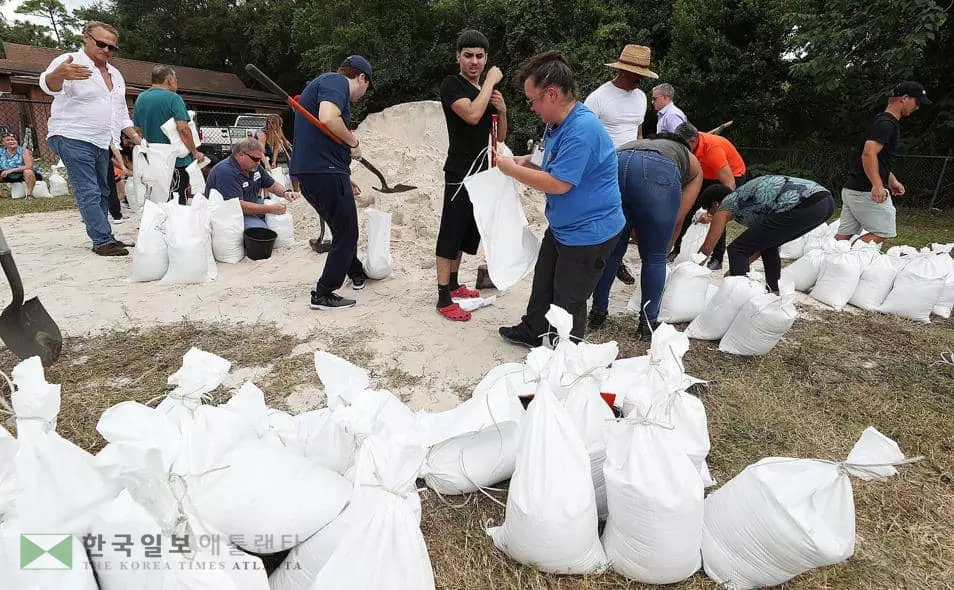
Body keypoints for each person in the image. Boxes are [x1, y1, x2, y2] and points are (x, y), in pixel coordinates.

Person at [496, 51, 625, 346]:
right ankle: (533, 330)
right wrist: (519, 159)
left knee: (569, 297)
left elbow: (558, 183)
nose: (531, 108)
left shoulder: (582, 130)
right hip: (564, 226)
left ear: (551, 94)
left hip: (589, 233)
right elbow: (546, 158)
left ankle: (564, 354)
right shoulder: (556, 124)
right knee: (544, 282)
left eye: (533, 100)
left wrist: (512, 170)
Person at [40, 20, 141, 256]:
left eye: (111, 47)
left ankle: (105, 234)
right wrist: (58, 74)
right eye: (101, 44)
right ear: (86, 37)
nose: (106, 50)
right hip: (72, 135)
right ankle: (102, 240)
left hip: (100, 140)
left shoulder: (115, 74)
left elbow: (119, 113)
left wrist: (135, 137)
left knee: (104, 191)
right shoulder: (69, 62)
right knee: (89, 191)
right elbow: (48, 85)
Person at [589, 132, 704, 335]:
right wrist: (663, 241)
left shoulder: (638, 143)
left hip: (617, 160)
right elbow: (678, 217)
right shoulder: (691, 161)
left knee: (612, 251)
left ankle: (597, 313)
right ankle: (647, 323)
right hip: (657, 170)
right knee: (655, 258)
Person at [435, 29, 508, 321]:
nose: (474, 61)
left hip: (482, 171)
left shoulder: (486, 92)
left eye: (479, 56)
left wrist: (502, 110)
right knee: (450, 230)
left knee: (467, 231)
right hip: (459, 169)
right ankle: (443, 297)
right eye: (468, 55)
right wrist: (490, 81)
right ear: (458, 57)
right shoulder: (451, 85)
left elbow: (499, 135)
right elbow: (472, 115)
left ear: (486, 57)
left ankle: (454, 284)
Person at [289, 55, 373, 311]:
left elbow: (321, 139)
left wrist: (345, 176)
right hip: (324, 172)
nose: (362, 93)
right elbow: (328, 118)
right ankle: (324, 292)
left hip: (315, 172)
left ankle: (356, 271)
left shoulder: (320, 86)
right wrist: (353, 142)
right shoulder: (336, 82)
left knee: (341, 228)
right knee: (348, 232)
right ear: (361, 78)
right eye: (366, 87)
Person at [584, 44, 657, 287]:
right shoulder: (598, 98)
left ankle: (617, 260)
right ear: (622, 70)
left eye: (642, 75)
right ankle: (595, 261)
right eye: (636, 74)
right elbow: (584, 135)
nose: (639, 79)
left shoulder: (641, 97)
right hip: (604, 167)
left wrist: (642, 154)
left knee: (625, 217)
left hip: (633, 166)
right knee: (601, 215)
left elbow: (638, 130)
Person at [697, 175, 836, 294]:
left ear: (715, 205)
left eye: (710, 212)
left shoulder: (728, 203)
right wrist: (736, 269)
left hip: (806, 202)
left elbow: (708, 247)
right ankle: (773, 291)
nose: (711, 216)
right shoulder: (745, 202)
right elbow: (761, 245)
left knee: (736, 248)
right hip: (825, 203)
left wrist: (693, 267)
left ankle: (741, 297)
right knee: (769, 245)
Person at [836, 81, 931, 245]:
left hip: (852, 189)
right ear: (905, 98)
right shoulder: (886, 124)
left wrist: (891, 179)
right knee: (882, 232)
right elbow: (868, 154)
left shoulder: (880, 121)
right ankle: (848, 260)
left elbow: (877, 157)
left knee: (844, 235)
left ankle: (827, 264)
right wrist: (877, 185)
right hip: (866, 191)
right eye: (917, 102)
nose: (917, 108)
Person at [670, 121, 747, 270]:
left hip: (731, 176)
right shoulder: (692, 145)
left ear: (692, 141)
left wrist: (713, 213)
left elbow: (729, 184)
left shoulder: (713, 151)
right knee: (687, 208)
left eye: (683, 145)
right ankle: (676, 249)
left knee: (719, 214)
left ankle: (717, 258)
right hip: (707, 174)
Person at [133, 65, 206, 205]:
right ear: (169, 79)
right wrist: (194, 151)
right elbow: (183, 128)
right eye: (176, 79)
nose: (177, 82)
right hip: (175, 160)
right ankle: (175, 225)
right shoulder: (174, 98)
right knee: (177, 197)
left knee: (156, 198)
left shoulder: (140, 99)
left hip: (151, 158)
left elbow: (137, 129)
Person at [204, 138, 298, 228]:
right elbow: (238, 206)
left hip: (249, 204)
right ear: (241, 155)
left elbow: (272, 185)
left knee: (281, 220)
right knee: (260, 231)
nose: (258, 162)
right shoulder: (225, 172)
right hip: (230, 214)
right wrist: (270, 209)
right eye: (255, 159)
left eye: (260, 159)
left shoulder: (253, 167)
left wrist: (286, 193)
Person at [0, 132, 43, 199]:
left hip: (23, 173)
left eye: (13, 140)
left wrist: (10, 170)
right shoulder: (1, 152)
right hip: (8, 174)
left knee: (28, 171)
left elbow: (29, 166)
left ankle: (29, 195)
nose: (11, 141)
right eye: (8, 140)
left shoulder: (23, 151)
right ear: (3, 143)